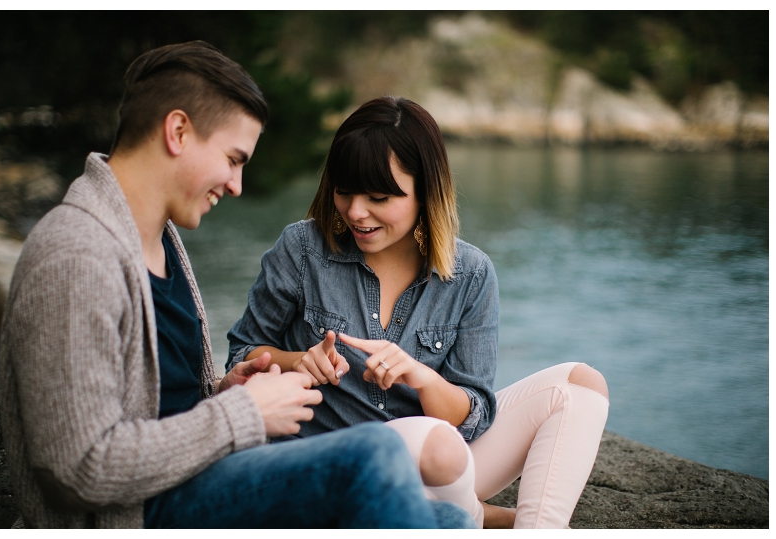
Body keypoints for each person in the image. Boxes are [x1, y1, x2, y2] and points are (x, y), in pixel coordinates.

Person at [0, 43, 477, 529]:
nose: (236, 185)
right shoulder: (76, 254)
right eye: (233, 158)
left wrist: (226, 391)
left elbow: (163, 405)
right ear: (178, 131)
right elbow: (78, 469)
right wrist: (241, 414)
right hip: (131, 516)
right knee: (376, 454)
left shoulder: (158, 241)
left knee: (451, 523)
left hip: (193, 480)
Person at [226, 96, 611, 529]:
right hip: (339, 463)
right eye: (344, 191)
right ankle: (473, 515)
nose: (355, 212)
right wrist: (296, 360)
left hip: (443, 463)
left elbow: (475, 411)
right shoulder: (302, 249)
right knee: (436, 442)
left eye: (378, 196)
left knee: (581, 386)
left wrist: (423, 378)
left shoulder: (471, 273)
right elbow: (241, 352)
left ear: (425, 191)